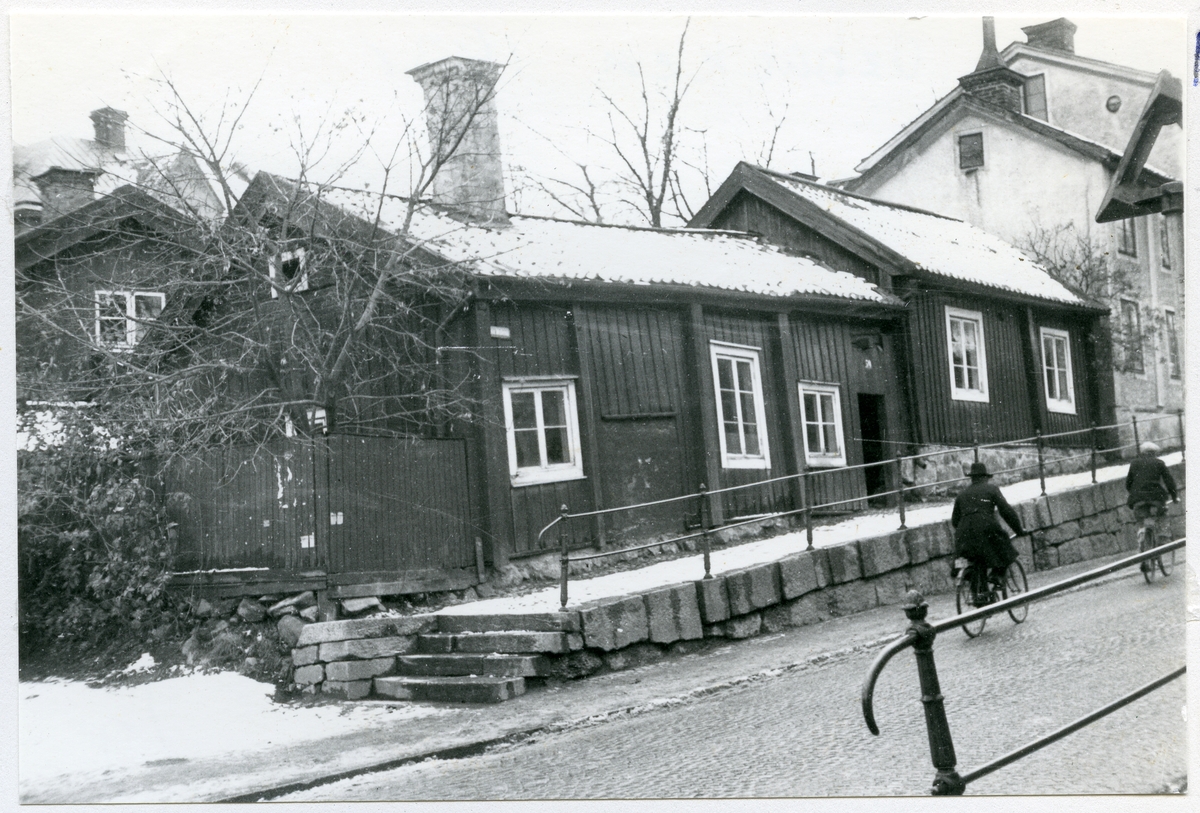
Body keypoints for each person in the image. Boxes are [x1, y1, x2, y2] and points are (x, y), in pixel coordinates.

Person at [951, 462, 1025, 604]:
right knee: (1005, 546)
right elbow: (1006, 511)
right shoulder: (991, 489)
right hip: (986, 527)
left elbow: (955, 521)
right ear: (985, 477)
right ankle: (997, 576)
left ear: (972, 478)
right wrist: (1019, 530)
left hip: (963, 534)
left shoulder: (961, 495)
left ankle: (980, 597)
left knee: (976, 561)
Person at [1125, 441, 1178, 564]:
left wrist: (1136, 494)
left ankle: (1142, 538)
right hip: (1156, 499)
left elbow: (1128, 483)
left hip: (1138, 500)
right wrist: (1174, 497)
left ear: (1142, 452)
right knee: (1162, 515)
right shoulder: (1159, 463)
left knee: (1141, 522)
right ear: (1155, 453)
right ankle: (1163, 537)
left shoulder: (1134, 463)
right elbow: (1169, 482)